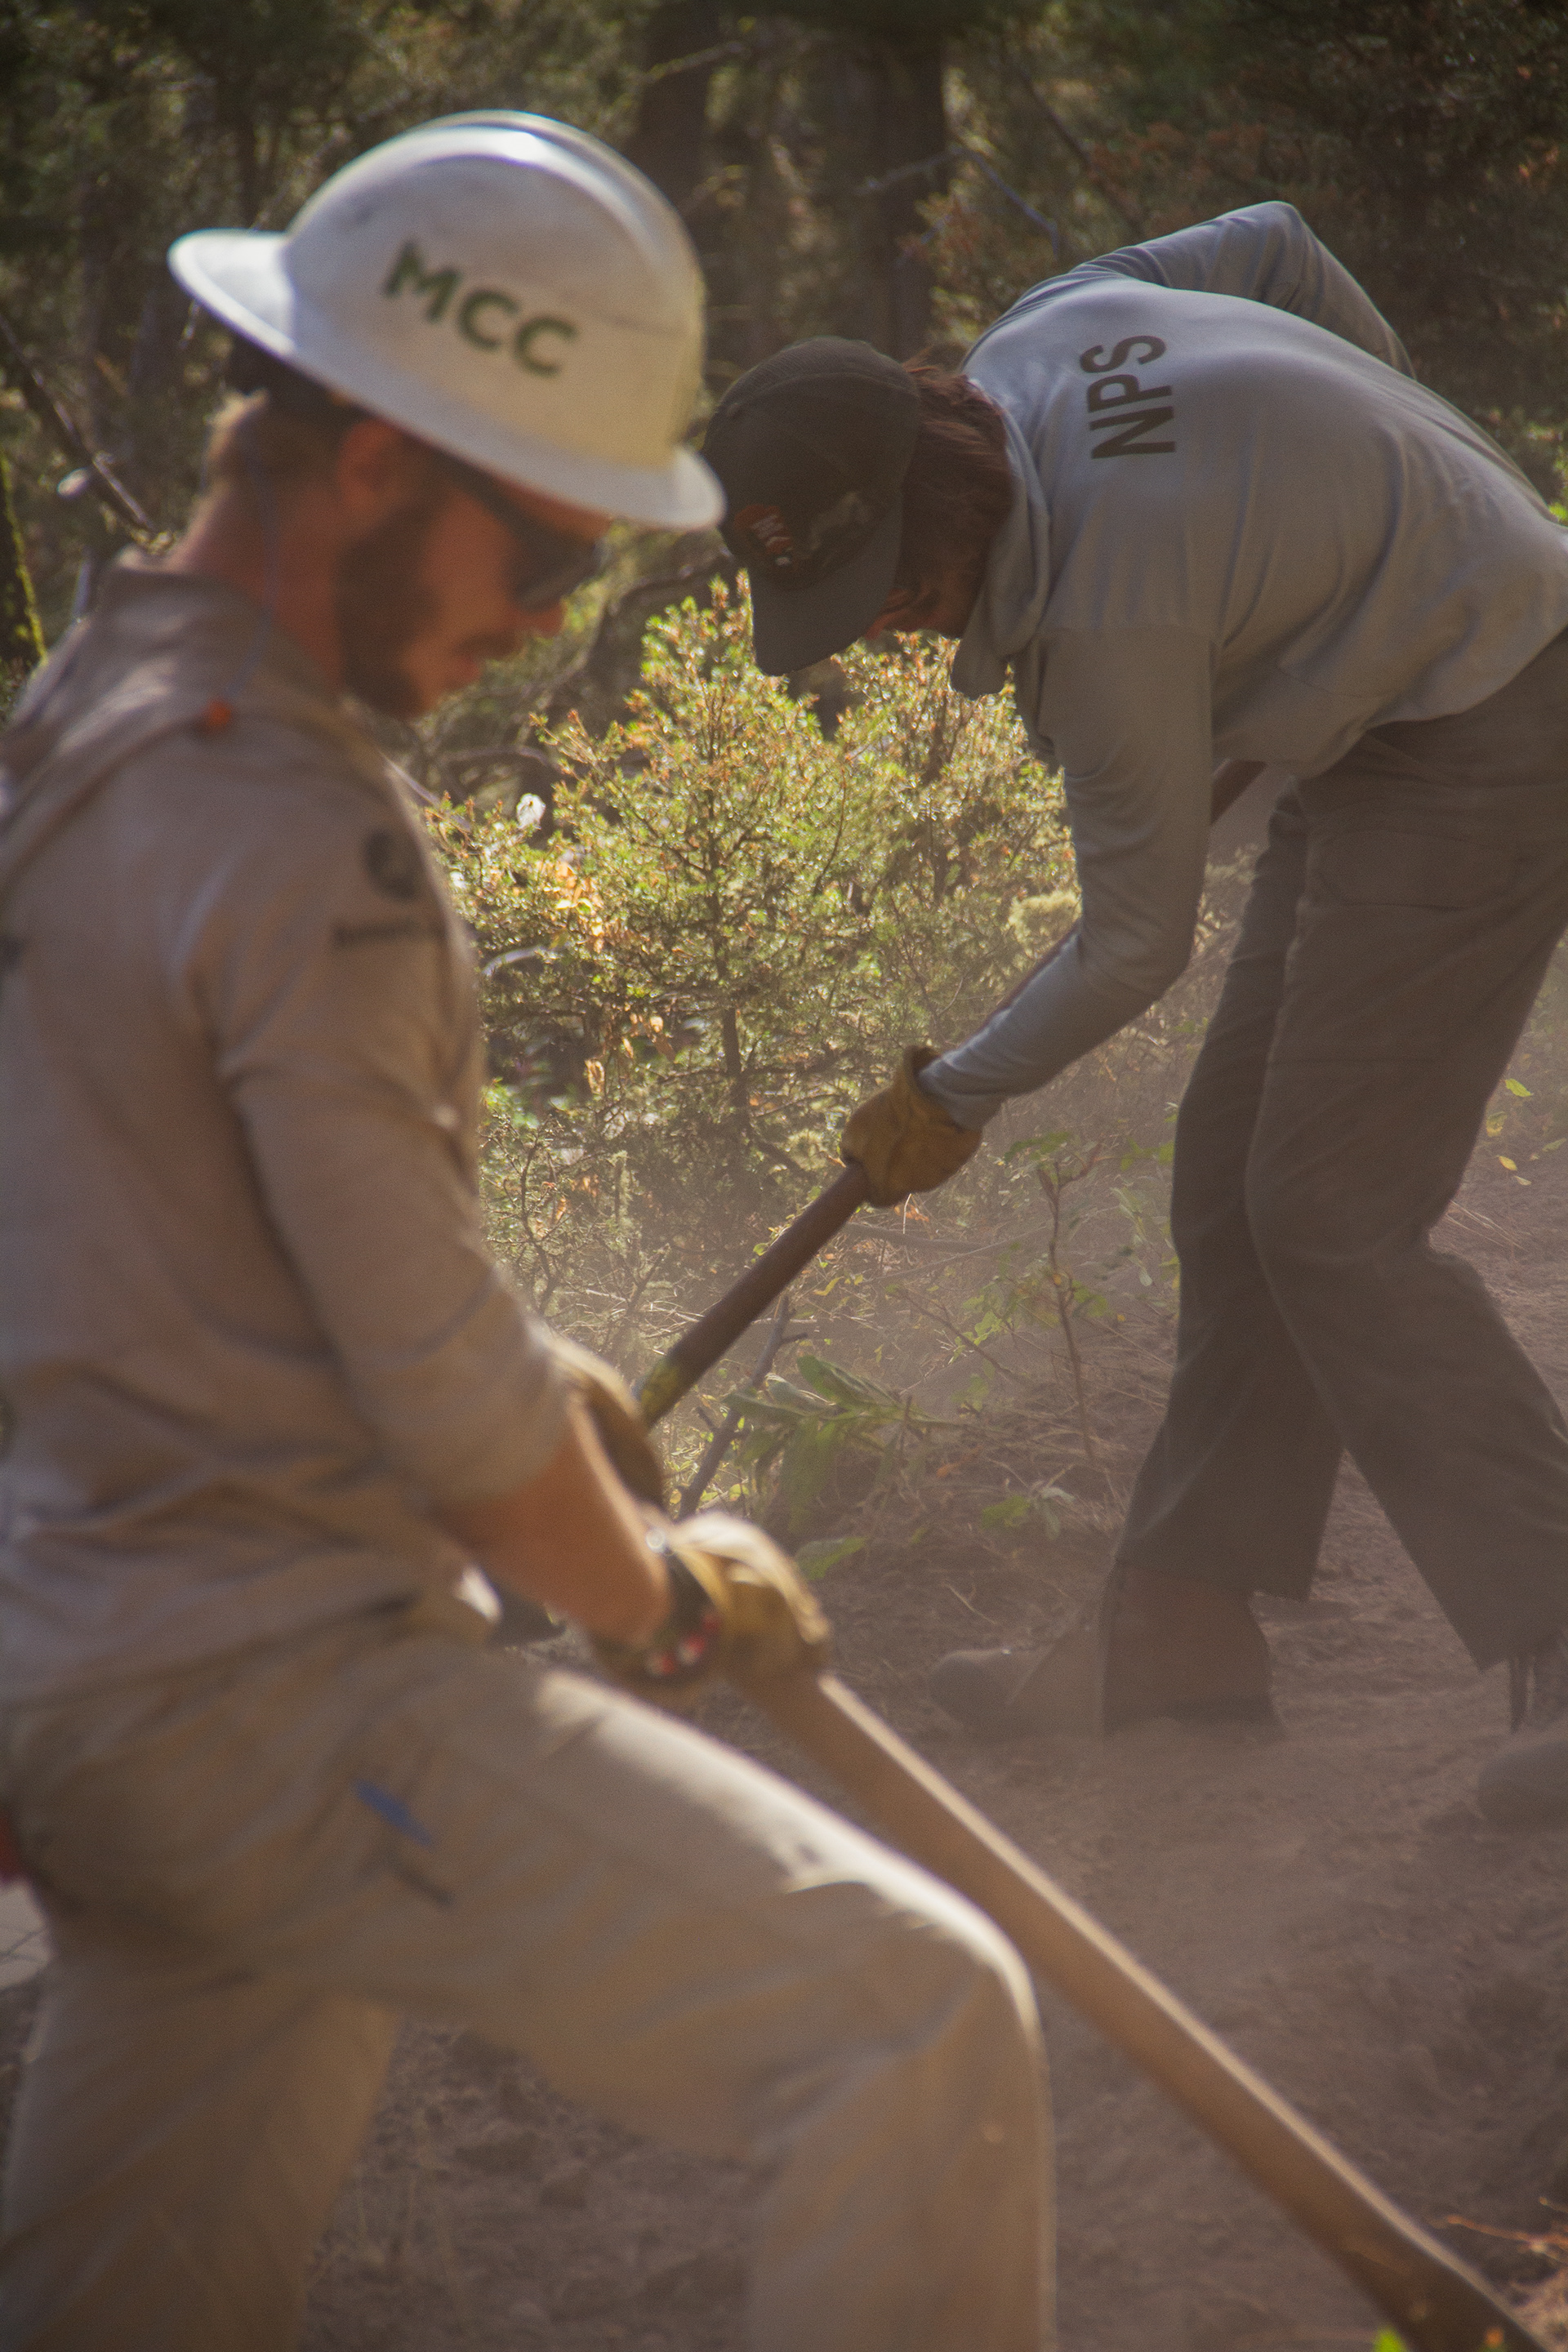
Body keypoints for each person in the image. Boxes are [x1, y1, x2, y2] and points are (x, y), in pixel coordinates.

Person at [0, 116, 1052, 2351]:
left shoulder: (78, 733)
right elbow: (439, 1398)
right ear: (378, 465)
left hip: (89, 1692)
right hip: (285, 1699)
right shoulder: (299, 829)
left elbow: (157, 1231)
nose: (555, 619)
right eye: (550, 549)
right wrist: (654, 1598)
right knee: (923, 2026)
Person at [703, 201, 1568, 1831]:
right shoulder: (1042, 329)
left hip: (1500, 702)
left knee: (1329, 1213)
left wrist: (946, 1097)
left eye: (894, 582)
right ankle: (1175, 1626)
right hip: (1384, 709)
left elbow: (1134, 944)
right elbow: (1288, 247)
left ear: (945, 488)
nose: (890, 625)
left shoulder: (1108, 609)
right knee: (1233, 1180)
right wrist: (1397, 468)